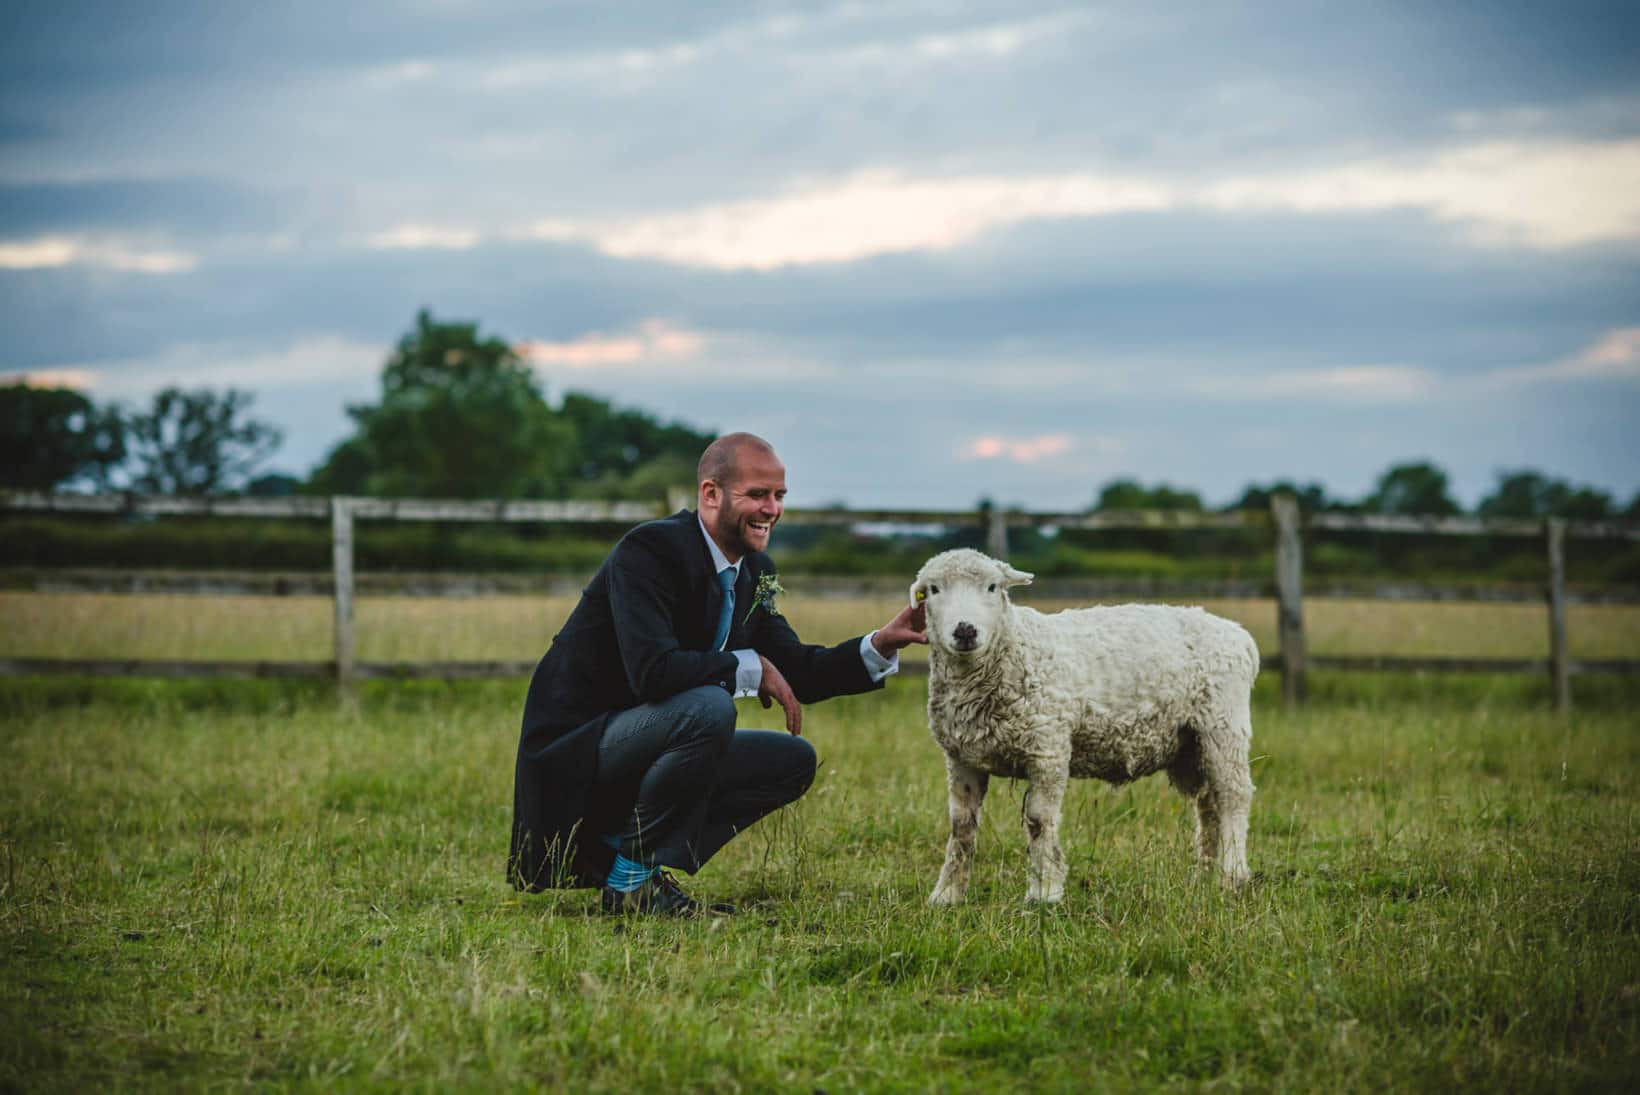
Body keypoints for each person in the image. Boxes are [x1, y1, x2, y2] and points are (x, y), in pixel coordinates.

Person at [508, 432, 927, 915]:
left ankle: (633, 868)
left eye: (779, 496)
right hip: (580, 749)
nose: (771, 509)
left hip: (649, 741)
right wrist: (745, 666)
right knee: (709, 707)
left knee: (791, 760)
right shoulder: (648, 551)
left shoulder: (753, 570)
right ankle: (630, 885)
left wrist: (878, 644)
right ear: (710, 494)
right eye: (757, 494)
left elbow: (797, 671)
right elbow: (653, 673)